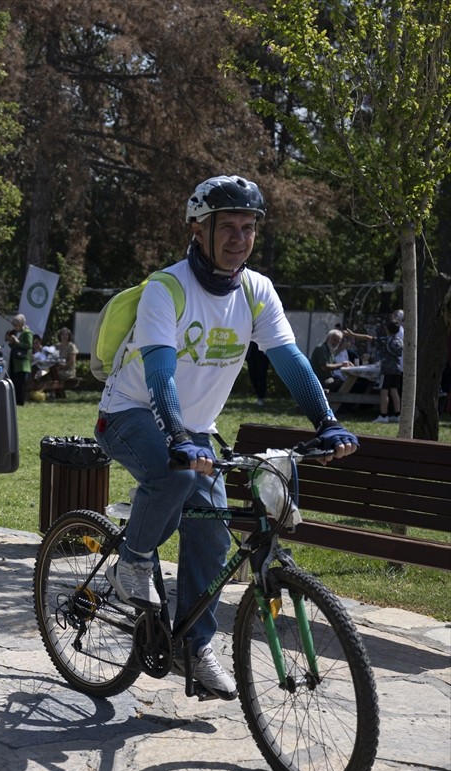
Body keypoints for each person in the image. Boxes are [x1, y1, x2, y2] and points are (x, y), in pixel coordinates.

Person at [95, 175, 358, 700]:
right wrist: (178, 437)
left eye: (249, 227)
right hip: (130, 412)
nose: (240, 237)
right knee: (172, 476)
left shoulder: (256, 292)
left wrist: (325, 421)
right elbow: (160, 376)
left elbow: (291, 362)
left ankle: (195, 647)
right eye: (228, 227)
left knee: (214, 533)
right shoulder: (166, 289)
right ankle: (133, 562)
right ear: (199, 229)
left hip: (195, 430)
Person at [6, 313, 34, 405]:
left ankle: (21, 401)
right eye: (13, 325)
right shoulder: (15, 333)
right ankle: (14, 400)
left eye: (16, 325)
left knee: (21, 383)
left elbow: (28, 346)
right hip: (14, 360)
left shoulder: (27, 333)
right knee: (14, 382)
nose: (14, 327)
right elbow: (13, 346)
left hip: (23, 363)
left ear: (21, 324)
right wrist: (11, 342)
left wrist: (18, 342)